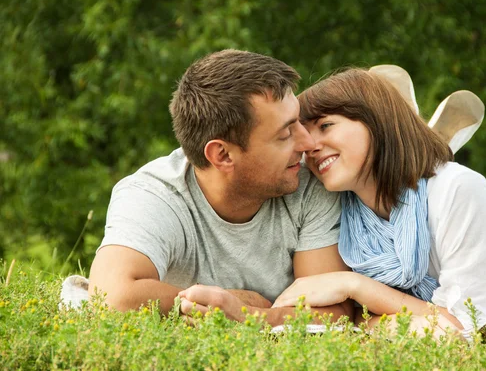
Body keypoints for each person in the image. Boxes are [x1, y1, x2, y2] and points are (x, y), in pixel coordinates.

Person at [87, 49, 354, 325]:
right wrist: (230, 301)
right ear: (223, 155)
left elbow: (334, 315)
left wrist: (244, 314)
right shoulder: (154, 195)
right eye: (285, 134)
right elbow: (111, 296)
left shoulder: (307, 182)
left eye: (298, 121)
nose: (308, 144)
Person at [272, 68, 486, 336]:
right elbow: (356, 322)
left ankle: (418, 135)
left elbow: (467, 329)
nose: (310, 146)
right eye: (305, 135)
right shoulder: (339, 209)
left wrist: (353, 285)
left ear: (378, 121)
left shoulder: (460, 191)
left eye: (325, 126)